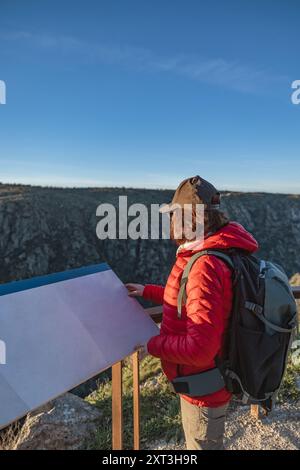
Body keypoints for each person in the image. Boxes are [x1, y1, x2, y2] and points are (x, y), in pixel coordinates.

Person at [126, 175, 259, 450]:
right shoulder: (215, 251)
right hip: (210, 379)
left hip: (204, 389)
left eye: (174, 214)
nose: (171, 222)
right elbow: (193, 301)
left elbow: (199, 348)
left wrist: (150, 346)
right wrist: (147, 291)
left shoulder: (205, 265)